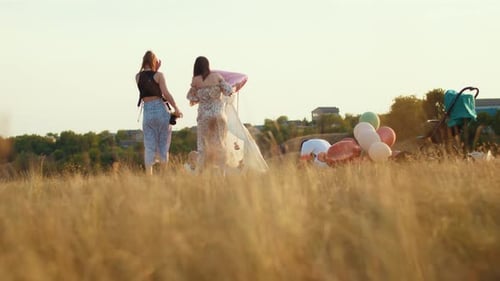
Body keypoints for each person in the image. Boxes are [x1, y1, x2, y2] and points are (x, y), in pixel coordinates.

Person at [186, 56, 268, 173]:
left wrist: (202, 98)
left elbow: (190, 97)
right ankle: (222, 173)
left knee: (203, 146)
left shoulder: (196, 80)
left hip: (204, 116)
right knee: (220, 144)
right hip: (219, 114)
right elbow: (229, 91)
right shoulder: (217, 77)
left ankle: (202, 173)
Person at [136, 50, 182, 175]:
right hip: (161, 111)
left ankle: (149, 176)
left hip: (147, 113)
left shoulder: (137, 77)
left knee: (149, 146)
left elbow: (147, 84)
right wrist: (176, 108)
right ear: (154, 62)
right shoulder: (159, 75)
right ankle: (164, 175)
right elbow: (165, 94)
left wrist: (154, 69)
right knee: (163, 145)